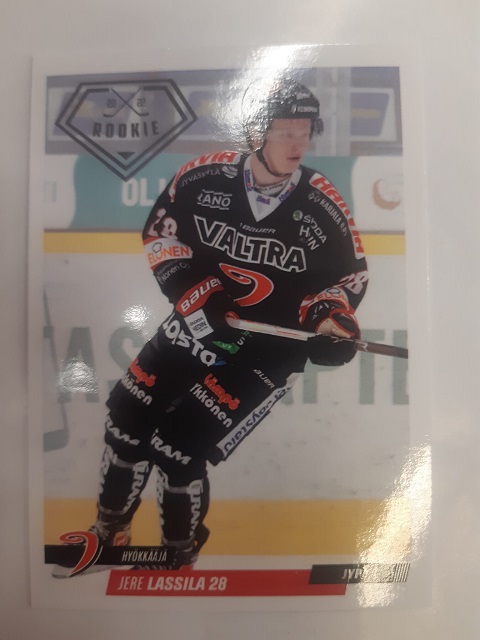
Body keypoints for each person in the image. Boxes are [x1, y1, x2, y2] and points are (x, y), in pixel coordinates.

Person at [53, 79, 368, 577]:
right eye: (285, 130)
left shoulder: (322, 205)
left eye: (305, 131)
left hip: (265, 351)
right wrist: (198, 294)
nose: (297, 143)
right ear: (256, 133)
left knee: (178, 447)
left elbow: (346, 279)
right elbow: (161, 235)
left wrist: (330, 321)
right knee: (125, 422)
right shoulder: (204, 177)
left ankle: (178, 552)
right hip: (199, 323)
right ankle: (109, 531)